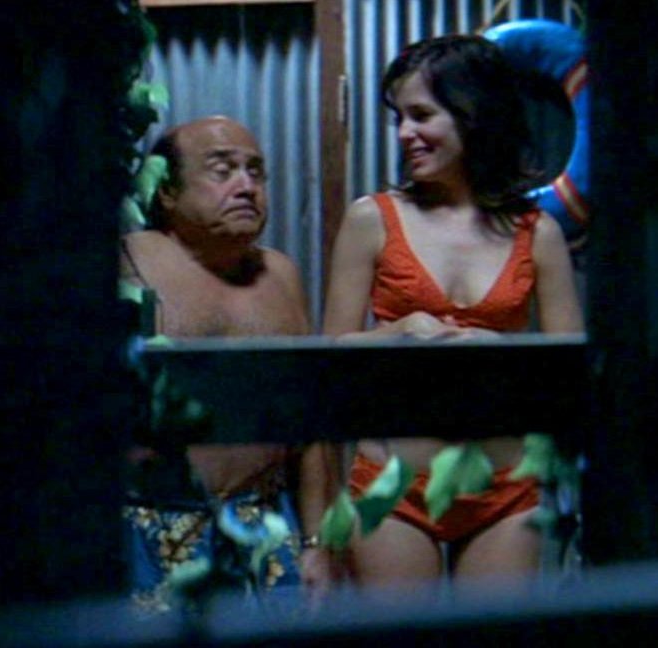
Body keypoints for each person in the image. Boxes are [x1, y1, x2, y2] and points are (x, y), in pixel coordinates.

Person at [321, 35, 584, 596]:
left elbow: (570, 374)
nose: (404, 134)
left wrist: (501, 351)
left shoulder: (538, 233)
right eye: (399, 118)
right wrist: (399, 331)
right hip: (394, 486)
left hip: (504, 487)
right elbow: (327, 358)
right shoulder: (372, 219)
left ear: (473, 114)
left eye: (421, 116)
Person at [120, 116, 343, 611]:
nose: (246, 186)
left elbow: (308, 424)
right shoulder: (127, 261)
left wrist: (316, 543)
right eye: (222, 170)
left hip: (263, 522)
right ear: (167, 192)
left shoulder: (280, 275)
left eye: (256, 172)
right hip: (147, 523)